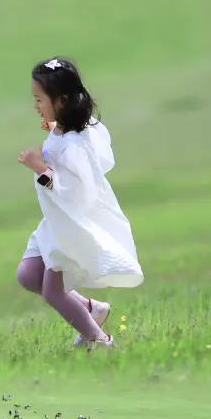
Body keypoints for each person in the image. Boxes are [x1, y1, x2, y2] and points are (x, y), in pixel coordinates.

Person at [17, 57, 143, 349]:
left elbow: (77, 193)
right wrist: (53, 126)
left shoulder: (72, 146)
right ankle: (93, 309)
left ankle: (99, 341)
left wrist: (41, 169)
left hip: (70, 226)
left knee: (53, 292)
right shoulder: (67, 131)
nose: (35, 105)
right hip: (55, 222)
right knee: (28, 275)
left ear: (61, 101)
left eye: (39, 99)